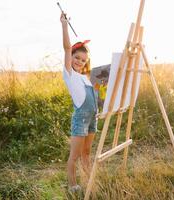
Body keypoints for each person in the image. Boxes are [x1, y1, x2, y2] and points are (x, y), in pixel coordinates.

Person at [60, 12, 98, 193]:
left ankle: (88, 178)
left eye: (83, 60)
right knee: (74, 155)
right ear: (71, 57)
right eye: (76, 58)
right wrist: (64, 25)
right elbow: (67, 47)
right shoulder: (69, 74)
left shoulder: (85, 77)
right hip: (81, 119)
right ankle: (72, 185)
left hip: (92, 118)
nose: (79, 62)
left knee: (87, 152)